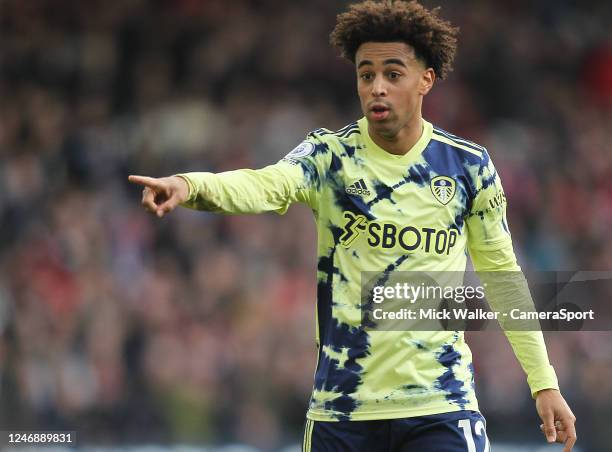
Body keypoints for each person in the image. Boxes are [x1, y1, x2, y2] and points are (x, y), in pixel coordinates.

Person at [129, 1, 577, 450]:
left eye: (392, 74)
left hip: (440, 406)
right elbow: (269, 184)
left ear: (426, 80)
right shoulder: (330, 157)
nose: (376, 88)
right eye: (366, 75)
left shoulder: (467, 166)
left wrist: (544, 384)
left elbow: (503, 279)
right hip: (341, 411)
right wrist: (190, 186)